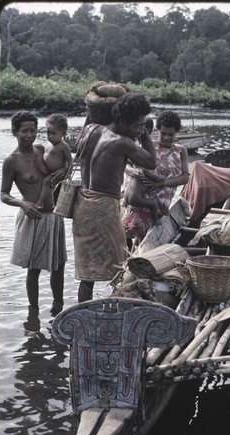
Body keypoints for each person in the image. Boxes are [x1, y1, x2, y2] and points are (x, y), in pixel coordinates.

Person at [72, 92, 157, 303]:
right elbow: (151, 162)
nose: (139, 129)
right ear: (120, 121)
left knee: (87, 273)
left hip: (83, 203)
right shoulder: (122, 143)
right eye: (137, 125)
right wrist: (145, 134)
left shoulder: (91, 130)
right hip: (103, 208)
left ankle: (83, 311)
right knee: (122, 265)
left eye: (142, 125)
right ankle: (118, 308)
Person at [0, 111, 67, 332]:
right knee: (34, 268)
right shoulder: (12, 161)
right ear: (15, 132)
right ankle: (33, 315)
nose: (29, 135)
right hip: (33, 216)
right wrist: (22, 204)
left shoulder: (42, 149)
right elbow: (3, 194)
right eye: (24, 131)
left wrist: (66, 169)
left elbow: (61, 167)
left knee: (58, 266)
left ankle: (59, 311)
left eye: (33, 130)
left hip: (54, 216)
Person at [122, 110, 189, 244]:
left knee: (148, 240)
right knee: (139, 237)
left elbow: (184, 178)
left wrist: (163, 183)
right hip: (143, 202)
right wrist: (134, 172)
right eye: (163, 133)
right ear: (158, 130)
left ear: (177, 133)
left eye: (171, 134)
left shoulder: (181, 151)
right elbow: (125, 165)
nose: (166, 138)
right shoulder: (149, 145)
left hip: (161, 206)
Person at [35, 113, 72, 209]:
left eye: (54, 133)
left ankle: (40, 202)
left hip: (57, 173)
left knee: (46, 182)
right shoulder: (48, 144)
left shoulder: (63, 146)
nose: (50, 136)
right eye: (48, 133)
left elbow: (70, 161)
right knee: (47, 184)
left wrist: (68, 173)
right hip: (49, 172)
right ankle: (50, 202)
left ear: (63, 133)